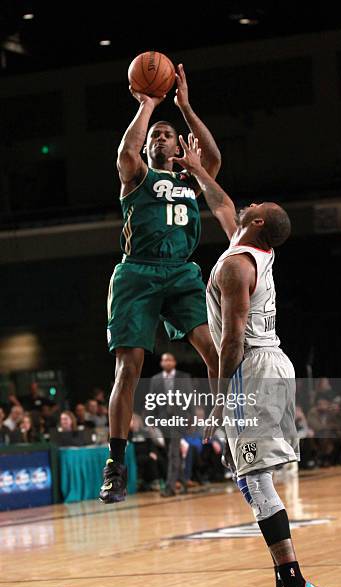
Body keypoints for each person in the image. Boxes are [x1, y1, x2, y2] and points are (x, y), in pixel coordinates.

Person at [174, 134, 328, 587]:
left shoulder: (237, 268)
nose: (248, 202)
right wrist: (197, 166)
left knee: (255, 481)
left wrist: (218, 399)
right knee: (251, 479)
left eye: (255, 204)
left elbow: (232, 341)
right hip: (270, 365)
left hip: (253, 369)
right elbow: (222, 203)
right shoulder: (249, 248)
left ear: (256, 222)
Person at [99, 64, 221, 503]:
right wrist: (148, 106)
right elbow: (125, 155)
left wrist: (185, 107)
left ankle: (223, 425)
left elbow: (214, 158)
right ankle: (116, 463)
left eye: (167, 135)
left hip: (182, 272)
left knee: (214, 349)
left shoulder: (190, 178)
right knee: (129, 367)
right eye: (156, 136)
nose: (160, 138)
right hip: (137, 272)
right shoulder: (138, 176)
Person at [148, 352, 193, 496]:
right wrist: (151, 418)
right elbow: (152, 400)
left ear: (174, 362)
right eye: (164, 360)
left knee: (173, 453)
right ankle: (184, 482)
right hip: (163, 421)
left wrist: (191, 417)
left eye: (169, 360)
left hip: (179, 420)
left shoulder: (184, 377)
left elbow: (190, 398)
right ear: (161, 363)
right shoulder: (155, 379)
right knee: (171, 454)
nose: (166, 362)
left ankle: (170, 487)